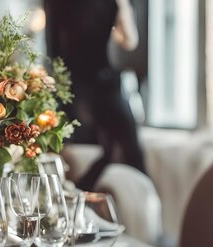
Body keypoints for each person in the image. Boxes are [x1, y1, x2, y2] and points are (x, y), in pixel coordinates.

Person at [45, 0, 147, 190]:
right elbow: (130, 41)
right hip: (100, 84)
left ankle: (80, 199)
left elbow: (53, 49)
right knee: (127, 154)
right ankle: (85, 198)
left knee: (102, 153)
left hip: (72, 87)